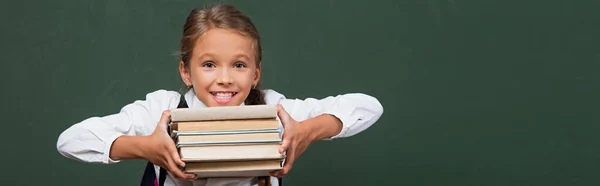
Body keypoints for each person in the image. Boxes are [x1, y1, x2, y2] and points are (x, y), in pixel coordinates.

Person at [56, 3, 383, 186]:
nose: (224, 79)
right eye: (209, 64)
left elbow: (368, 107)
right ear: (186, 71)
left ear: (255, 74)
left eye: (239, 65)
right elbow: (70, 141)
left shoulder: (275, 110)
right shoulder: (162, 109)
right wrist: (146, 148)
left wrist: (306, 132)